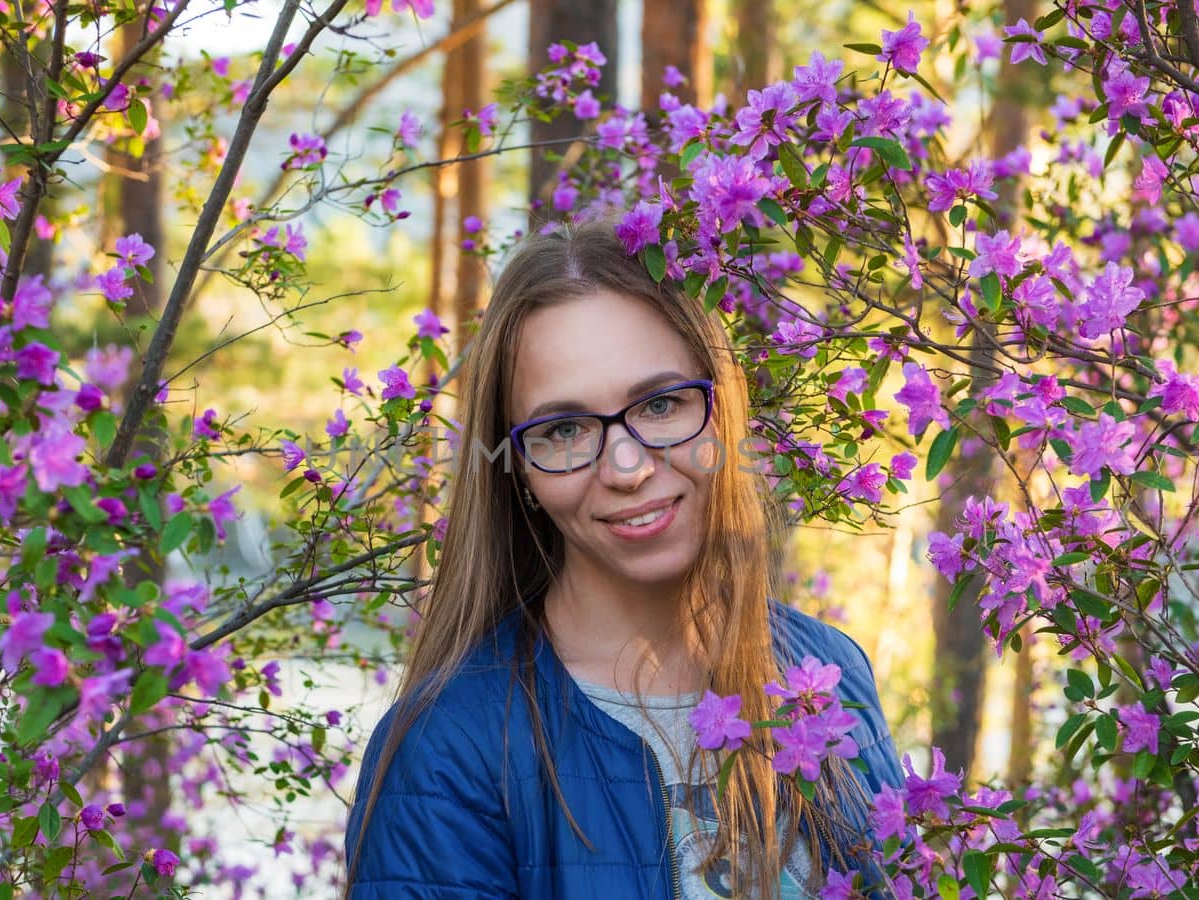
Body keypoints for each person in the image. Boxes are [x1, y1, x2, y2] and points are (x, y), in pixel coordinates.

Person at [343, 219, 904, 899]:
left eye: (662, 403)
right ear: (517, 467)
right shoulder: (446, 751)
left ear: (721, 408)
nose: (629, 466)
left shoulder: (828, 670)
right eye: (564, 429)